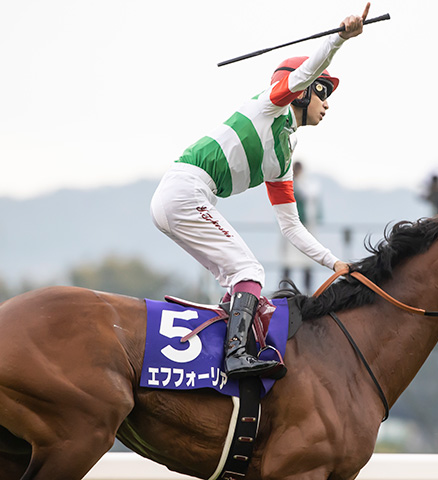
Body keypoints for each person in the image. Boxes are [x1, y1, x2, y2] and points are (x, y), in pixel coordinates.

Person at [150, 4, 370, 379]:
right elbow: (304, 72)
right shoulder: (270, 106)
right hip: (185, 191)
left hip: (185, 197)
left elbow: (291, 228)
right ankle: (235, 355)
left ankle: (220, 348)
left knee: (238, 280)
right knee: (249, 269)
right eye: (323, 92)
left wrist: (334, 263)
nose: (327, 103)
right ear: (301, 93)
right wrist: (339, 38)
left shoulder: (283, 155)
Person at [281, 161, 322, 294]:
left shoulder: (308, 186)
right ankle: (285, 290)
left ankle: (307, 291)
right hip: (292, 228)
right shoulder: (295, 186)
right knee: (289, 261)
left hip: (307, 228)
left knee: (307, 259)